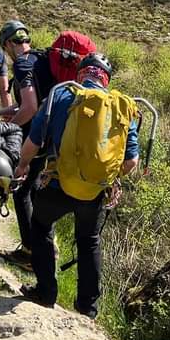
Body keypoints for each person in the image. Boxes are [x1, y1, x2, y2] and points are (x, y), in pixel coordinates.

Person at [16, 53, 139, 318]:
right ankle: (87, 309)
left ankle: (46, 293)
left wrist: (23, 165)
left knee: (40, 228)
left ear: (81, 73)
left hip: (57, 185)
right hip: (95, 192)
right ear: (106, 79)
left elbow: (34, 142)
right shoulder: (121, 107)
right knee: (89, 241)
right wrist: (111, 179)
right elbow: (131, 162)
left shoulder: (61, 95)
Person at [0, 22, 95, 270]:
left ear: (8, 44)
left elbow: (29, 109)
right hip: (57, 137)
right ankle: (41, 246)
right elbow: (35, 104)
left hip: (36, 137)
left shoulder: (22, 64)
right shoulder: (43, 59)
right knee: (34, 191)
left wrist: (6, 129)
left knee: (21, 190)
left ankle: (33, 253)